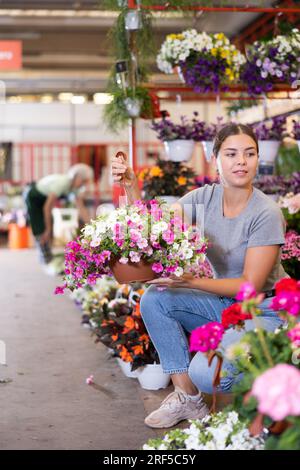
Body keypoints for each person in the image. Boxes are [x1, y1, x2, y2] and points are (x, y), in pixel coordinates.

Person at [111, 124, 289, 429]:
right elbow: (155, 227)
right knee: (156, 300)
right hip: (225, 306)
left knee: (206, 373)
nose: (241, 161)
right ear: (215, 158)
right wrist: (130, 187)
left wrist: (188, 281)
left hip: (264, 312)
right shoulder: (204, 199)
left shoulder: (265, 213)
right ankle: (188, 400)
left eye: (249, 154)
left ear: (258, 159)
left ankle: (281, 371)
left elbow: (249, 287)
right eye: (231, 154)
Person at [25, 163, 94, 272]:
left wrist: (91, 226)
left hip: (43, 200)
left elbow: (81, 208)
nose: (83, 185)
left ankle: (48, 258)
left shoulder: (74, 187)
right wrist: (48, 229)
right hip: (33, 197)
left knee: (47, 226)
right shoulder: (63, 183)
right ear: (77, 177)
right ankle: (46, 261)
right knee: (40, 228)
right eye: (83, 181)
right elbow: (47, 208)